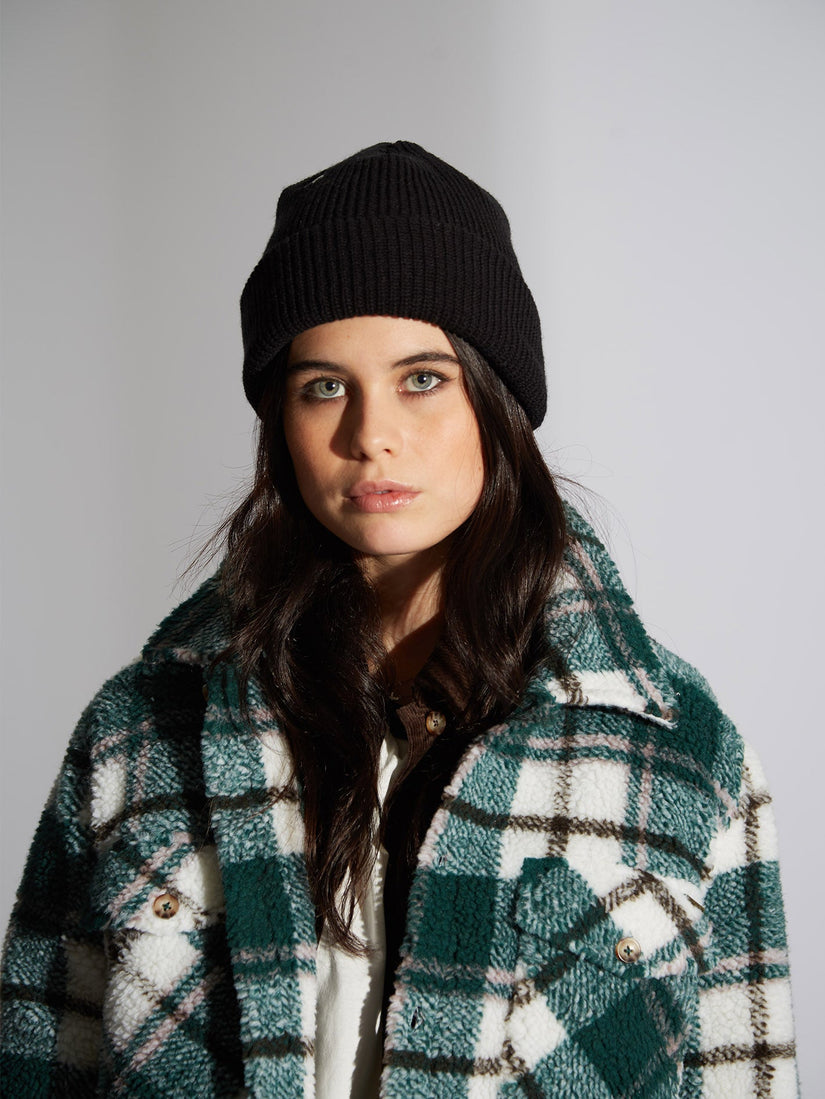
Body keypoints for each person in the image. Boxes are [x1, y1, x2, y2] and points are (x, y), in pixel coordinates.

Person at [0, 141, 798, 1098]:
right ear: (281, 422)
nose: (369, 434)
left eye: (422, 378)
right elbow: (36, 1061)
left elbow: (745, 1074)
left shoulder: (677, 749)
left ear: (496, 400)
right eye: (323, 386)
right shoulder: (140, 732)